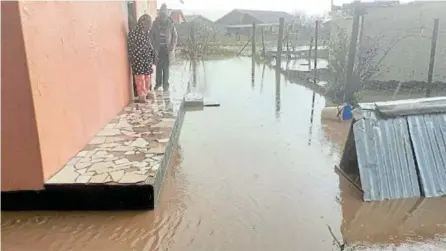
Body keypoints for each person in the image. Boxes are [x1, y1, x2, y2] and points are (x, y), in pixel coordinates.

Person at [128, 14, 156, 103]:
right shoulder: (133, 33)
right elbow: (131, 47)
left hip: (146, 59)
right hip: (138, 59)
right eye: (148, 25)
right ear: (143, 23)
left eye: (150, 25)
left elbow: (149, 45)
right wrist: (134, 57)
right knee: (140, 77)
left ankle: (146, 92)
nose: (149, 27)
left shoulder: (146, 34)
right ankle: (141, 95)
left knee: (147, 76)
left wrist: (153, 54)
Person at [150, 4, 177, 92]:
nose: (163, 17)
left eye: (164, 15)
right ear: (159, 15)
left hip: (167, 50)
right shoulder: (154, 24)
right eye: (161, 15)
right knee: (158, 68)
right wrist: (153, 47)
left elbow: (175, 36)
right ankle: (158, 84)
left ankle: (166, 85)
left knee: (166, 68)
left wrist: (172, 47)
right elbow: (151, 36)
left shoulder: (171, 24)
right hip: (158, 49)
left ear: (167, 15)